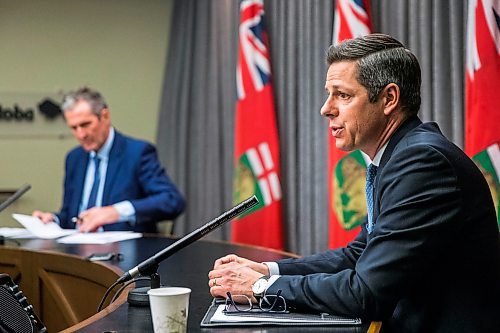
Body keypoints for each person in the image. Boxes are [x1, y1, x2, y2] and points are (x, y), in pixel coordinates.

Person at [208, 34, 500, 332]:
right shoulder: (399, 156)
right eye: (328, 94)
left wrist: (260, 287)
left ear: (389, 99)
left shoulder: (423, 163)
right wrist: (268, 270)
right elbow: (356, 255)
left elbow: (366, 292)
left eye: (343, 95)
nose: (326, 108)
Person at [32, 87, 185, 233]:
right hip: (78, 252)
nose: (80, 135)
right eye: (74, 128)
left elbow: (172, 201)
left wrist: (116, 212)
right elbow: (71, 215)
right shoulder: (74, 159)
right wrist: (53, 220)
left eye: (85, 125)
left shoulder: (137, 153)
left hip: (123, 255)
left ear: (104, 116)